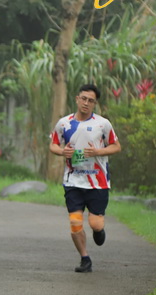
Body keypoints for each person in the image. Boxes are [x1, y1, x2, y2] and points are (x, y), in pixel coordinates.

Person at [48, 84, 121, 273]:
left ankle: (99, 230)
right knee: (75, 222)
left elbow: (116, 146)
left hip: (98, 182)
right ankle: (85, 258)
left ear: (95, 103)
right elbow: (53, 145)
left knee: (95, 223)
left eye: (91, 101)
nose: (86, 103)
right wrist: (62, 151)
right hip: (73, 181)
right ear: (77, 98)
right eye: (84, 99)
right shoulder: (64, 123)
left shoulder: (103, 124)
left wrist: (98, 151)